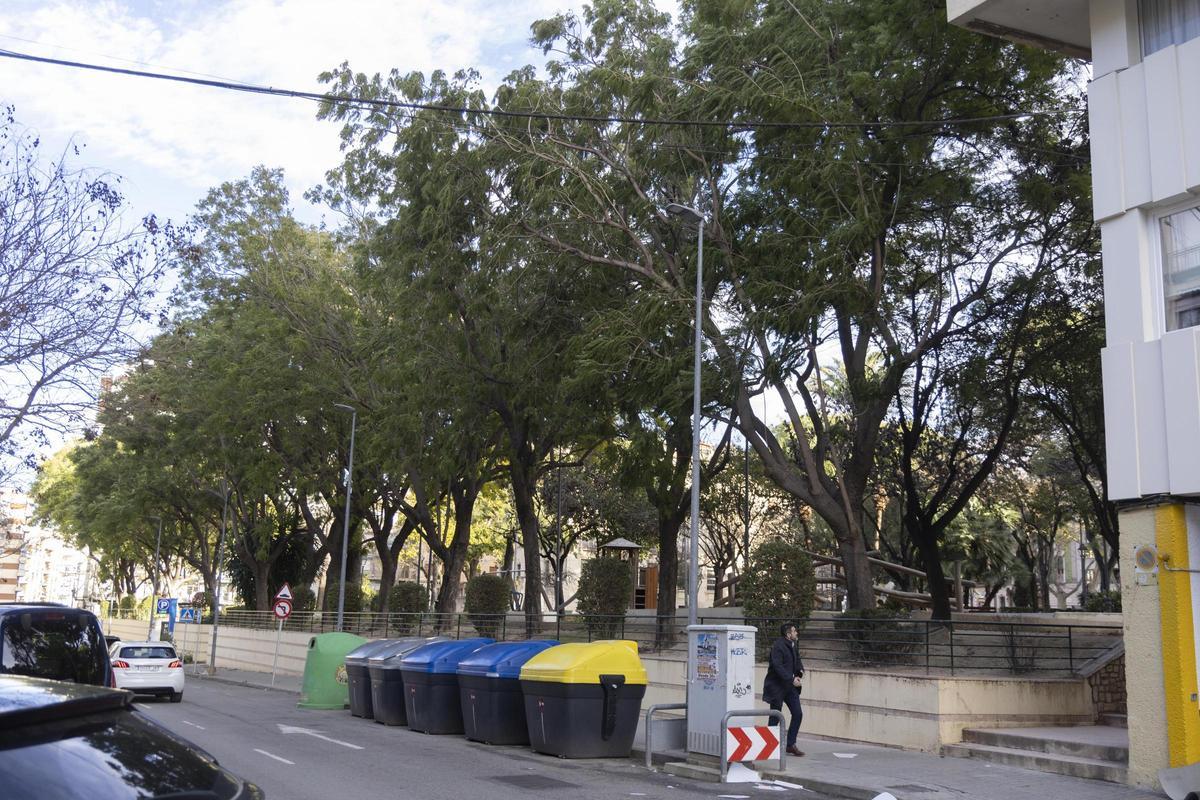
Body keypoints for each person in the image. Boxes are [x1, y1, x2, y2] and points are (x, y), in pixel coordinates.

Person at [762, 622, 805, 757]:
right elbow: (777, 666)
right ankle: (770, 745)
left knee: (798, 713)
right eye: (794, 631)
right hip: (777, 686)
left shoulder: (792, 644)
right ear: (788, 634)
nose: (796, 633)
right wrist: (791, 678)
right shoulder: (778, 646)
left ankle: (790, 744)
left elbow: (797, 660)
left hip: (790, 687)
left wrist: (800, 673)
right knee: (775, 715)